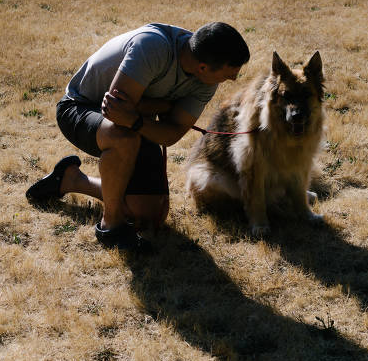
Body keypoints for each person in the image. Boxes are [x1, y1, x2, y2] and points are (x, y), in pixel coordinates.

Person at [26, 22, 250, 250]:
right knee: (123, 138)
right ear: (203, 67)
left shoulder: (205, 80)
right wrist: (163, 108)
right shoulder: (153, 47)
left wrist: (139, 115)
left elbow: (171, 134)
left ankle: (70, 179)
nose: (232, 80)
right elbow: (114, 111)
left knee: (147, 214)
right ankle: (110, 227)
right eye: (228, 74)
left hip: (132, 122)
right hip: (79, 107)